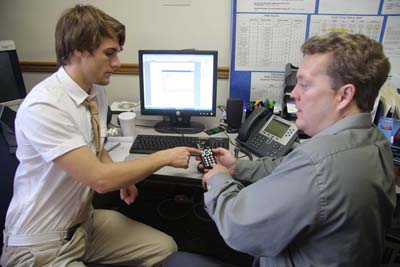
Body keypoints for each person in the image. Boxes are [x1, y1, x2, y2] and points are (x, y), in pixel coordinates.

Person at [165, 32, 396, 267]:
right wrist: (237, 166)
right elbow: (291, 169)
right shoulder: (374, 140)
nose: (294, 94)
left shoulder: (318, 161)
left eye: (304, 85)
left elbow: (238, 227)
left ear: (344, 95)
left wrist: (218, 180)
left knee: (175, 260)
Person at [1, 4, 200, 267]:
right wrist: (163, 157)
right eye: (109, 54)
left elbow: (96, 147)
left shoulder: (94, 90)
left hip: (85, 225)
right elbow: (100, 180)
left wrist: (121, 178)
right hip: (41, 245)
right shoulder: (45, 106)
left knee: (165, 248)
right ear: (78, 51)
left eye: (117, 53)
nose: (117, 63)